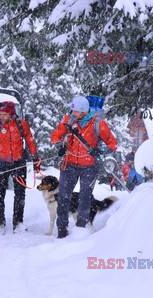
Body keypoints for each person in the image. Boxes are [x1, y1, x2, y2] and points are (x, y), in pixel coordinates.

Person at [50, 96, 118, 238]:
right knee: (63, 197)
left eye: (76, 111)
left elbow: (113, 144)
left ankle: (81, 230)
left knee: (85, 198)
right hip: (69, 164)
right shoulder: (68, 120)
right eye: (72, 110)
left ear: (84, 111)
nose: (73, 113)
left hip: (89, 166)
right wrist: (59, 146)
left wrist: (101, 151)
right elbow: (55, 136)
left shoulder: (98, 124)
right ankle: (62, 231)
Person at [0, 101, 39, 234]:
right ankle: (0, 223)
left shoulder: (21, 124)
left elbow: (30, 139)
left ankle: (18, 222)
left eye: (5, 114)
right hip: (1, 163)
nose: (2, 116)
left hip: (19, 162)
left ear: (11, 114)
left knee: (20, 194)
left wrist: (35, 156)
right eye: (0, 114)